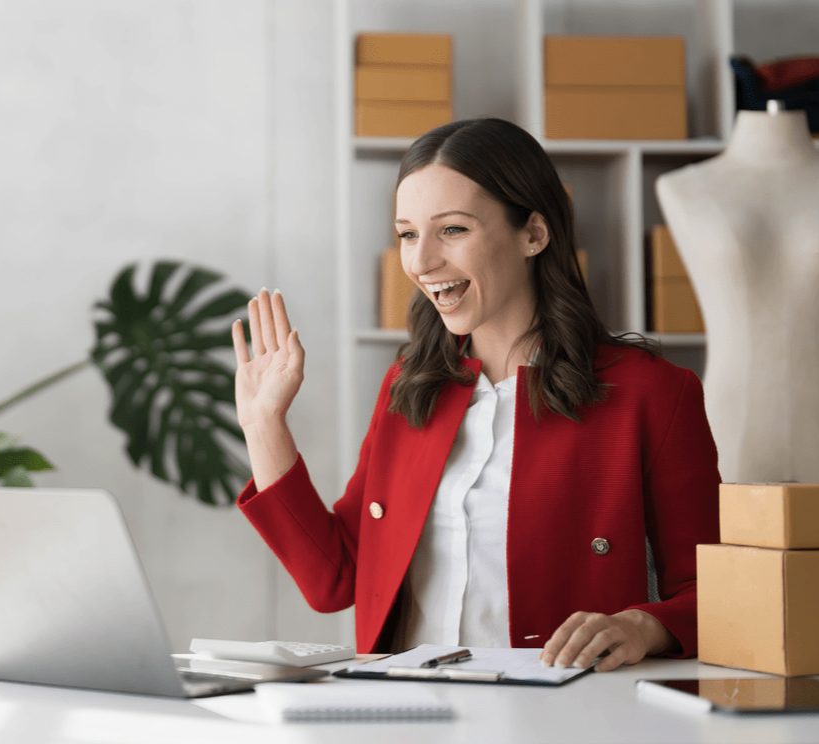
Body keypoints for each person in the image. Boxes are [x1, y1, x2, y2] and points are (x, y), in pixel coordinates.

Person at [230, 118, 720, 672]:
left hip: (568, 718)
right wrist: (264, 424)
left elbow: (718, 593)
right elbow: (335, 579)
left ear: (533, 233)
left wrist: (642, 625)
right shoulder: (409, 388)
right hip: (409, 717)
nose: (419, 262)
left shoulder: (650, 393)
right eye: (408, 234)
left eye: (453, 230)